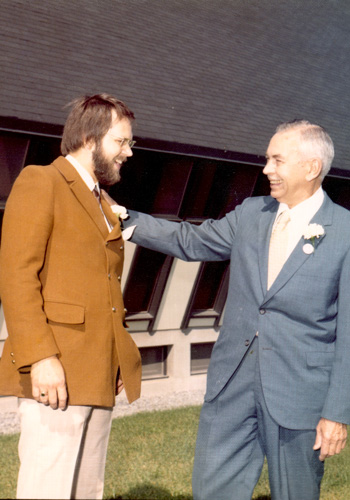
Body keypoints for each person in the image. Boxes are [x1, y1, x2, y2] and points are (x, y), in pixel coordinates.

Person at [119, 120, 350, 499]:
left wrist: (337, 412)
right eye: (266, 159)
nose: (266, 170)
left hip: (301, 397)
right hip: (232, 387)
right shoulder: (251, 213)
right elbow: (190, 240)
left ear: (311, 167)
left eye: (277, 160)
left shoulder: (344, 232)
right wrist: (125, 219)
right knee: (213, 491)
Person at [0, 93, 141, 499]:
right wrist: (40, 357)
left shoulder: (102, 201)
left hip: (96, 373)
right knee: (48, 489)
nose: (128, 153)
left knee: (86, 490)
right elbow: (17, 276)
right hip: (55, 371)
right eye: (121, 142)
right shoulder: (40, 181)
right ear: (88, 137)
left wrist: (115, 356)